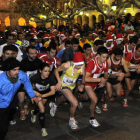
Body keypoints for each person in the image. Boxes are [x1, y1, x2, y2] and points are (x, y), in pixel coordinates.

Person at [0, 57, 38, 140]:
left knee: (13, 110)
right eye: (14, 70)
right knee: (3, 129)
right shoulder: (1, 80)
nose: (17, 72)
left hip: (11, 100)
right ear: (8, 70)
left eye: (18, 69)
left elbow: (27, 83)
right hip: (1, 105)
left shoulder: (21, 75)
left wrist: (32, 95)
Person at [49, 52, 85, 130]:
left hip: (72, 86)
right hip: (63, 85)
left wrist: (82, 84)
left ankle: (54, 105)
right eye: (78, 65)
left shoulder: (82, 66)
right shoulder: (66, 65)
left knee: (63, 98)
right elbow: (56, 71)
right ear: (74, 63)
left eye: (81, 65)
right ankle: (71, 120)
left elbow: (84, 76)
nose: (80, 67)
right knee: (75, 103)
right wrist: (58, 82)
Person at [78, 47, 108, 127]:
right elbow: (86, 78)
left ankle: (78, 99)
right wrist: (100, 80)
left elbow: (106, 75)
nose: (105, 59)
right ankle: (92, 118)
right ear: (98, 55)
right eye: (103, 57)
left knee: (86, 97)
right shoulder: (92, 63)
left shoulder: (105, 63)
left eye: (106, 57)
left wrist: (103, 81)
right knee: (94, 100)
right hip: (88, 83)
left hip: (95, 83)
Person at [30, 63, 55, 137]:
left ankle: (34, 113)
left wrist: (42, 96)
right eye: (45, 71)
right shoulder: (34, 77)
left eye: (48, 71)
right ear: (40, 71)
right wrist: (35, 92)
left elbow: (53, 91)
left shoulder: (51, 77)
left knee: (40, 108)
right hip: (37, 94)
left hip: (45, 95)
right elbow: (27, 88)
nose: (47, 73)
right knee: (42, 109)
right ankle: (43, 128)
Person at [19, 46, 43, 120]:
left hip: (33, 82)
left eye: (35, 53)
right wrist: (24, 85)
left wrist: (34, 84)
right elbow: (20, 75)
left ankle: (26, 105)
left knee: (30, 96)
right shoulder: (23, 62)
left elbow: (40, 73)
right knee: (21, 99)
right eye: (32, 54)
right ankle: (21, 111)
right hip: (23, 82)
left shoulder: (39, 61)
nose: (34, 55)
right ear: (27, 54)